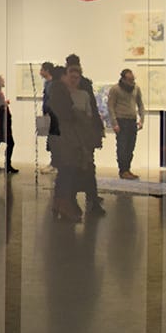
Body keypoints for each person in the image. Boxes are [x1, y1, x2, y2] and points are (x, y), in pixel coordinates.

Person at [48, 61, 105, 220]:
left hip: (73, 137)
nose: (72, 80)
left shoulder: (74, 92)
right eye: (69, 76)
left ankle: (63, 203)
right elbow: (67, 116)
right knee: (68, 170)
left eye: (75, 77)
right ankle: (65, 204)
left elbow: (88, 112)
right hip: (69, 138)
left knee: (70, 170)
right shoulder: (60, 91)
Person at [106, 69, 146, 180]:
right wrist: (114, 123)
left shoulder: (136, 88)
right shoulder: (115, 89)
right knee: (122, 147)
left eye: (133, 79)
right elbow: (111, 106)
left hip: (132, 120)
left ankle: (127, 169)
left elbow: (140, 105)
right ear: (123, 79)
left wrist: (142, 119)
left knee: (130, 147)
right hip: (121, 121)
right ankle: (123, 170)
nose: (132, 82)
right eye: (129, 79)